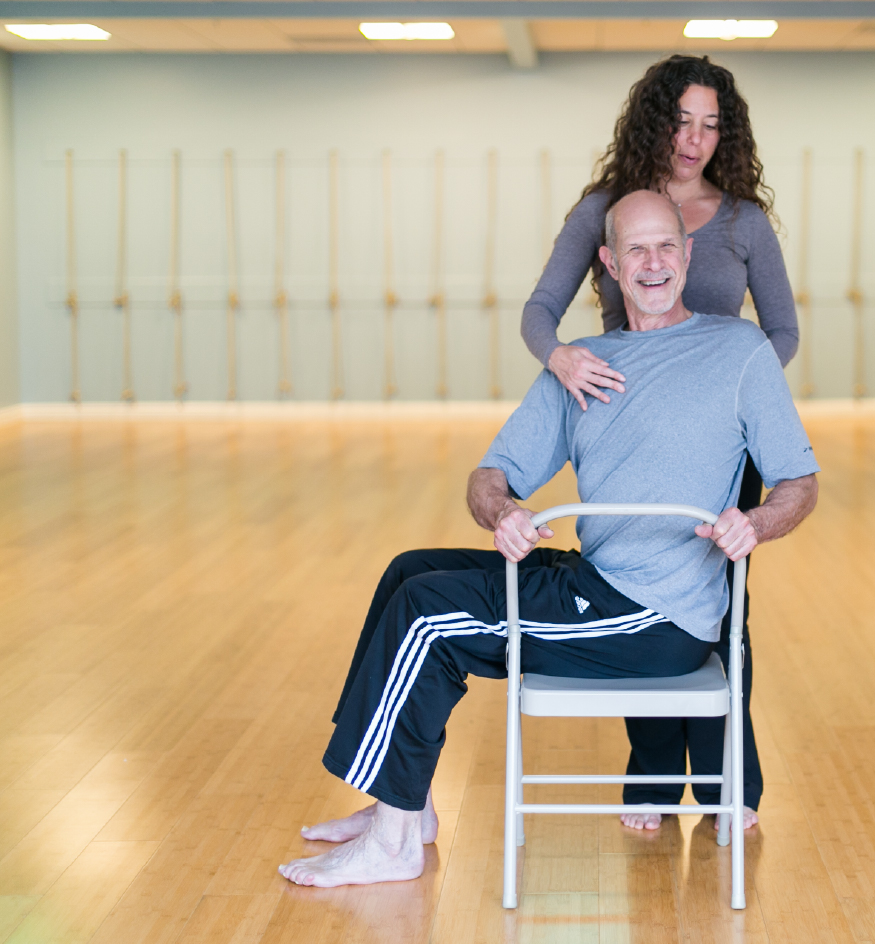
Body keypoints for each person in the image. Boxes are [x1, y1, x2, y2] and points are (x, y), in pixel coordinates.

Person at [279, 191, 818, 888]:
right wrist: (500, 509)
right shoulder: (581, 364)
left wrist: (757, 522)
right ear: (610, 265)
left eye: (666, 248)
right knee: (406, 573)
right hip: (596, 583)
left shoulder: (740, 351)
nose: (653, 264)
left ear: (687, 257)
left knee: (428, 615)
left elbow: (799, 485)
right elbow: (488, 475)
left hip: (658, 616)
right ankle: (402, 801)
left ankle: (394, 840)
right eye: (635, 250)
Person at [521, 54, 796, 831]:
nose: (696, 139)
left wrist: (726, 385)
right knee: (636, 597)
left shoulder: (743, 221)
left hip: (722, 450)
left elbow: (781, 331)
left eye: (713, 125)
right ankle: (650, 778)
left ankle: (727, 785)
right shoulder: (606, 210)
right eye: (682, 121)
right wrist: (561, 357)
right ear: (655, 120)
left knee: (720, 616)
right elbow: (540, 314)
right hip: (625, 437)